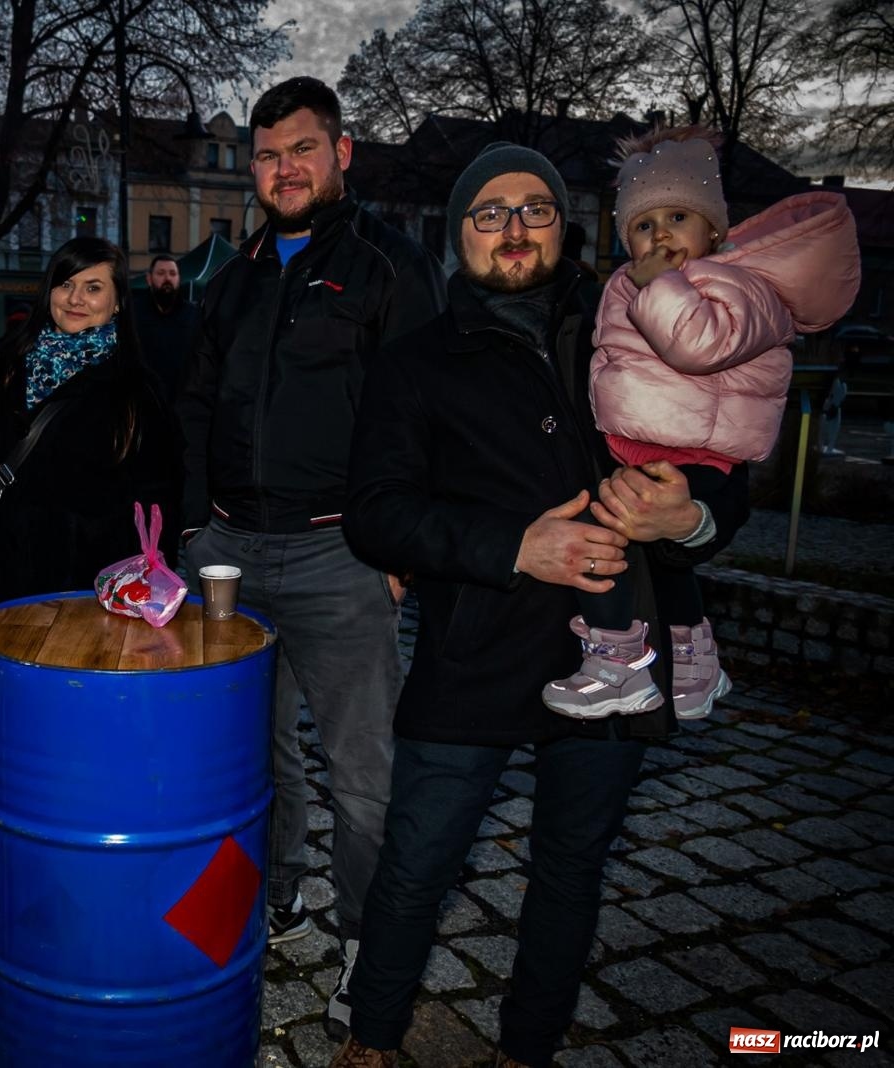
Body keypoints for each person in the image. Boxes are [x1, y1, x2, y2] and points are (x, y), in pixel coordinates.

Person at [329, 143, 753, 1068]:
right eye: (489, 211)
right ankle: (373, 1039)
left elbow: (730, 465)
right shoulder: (415, 362)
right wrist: (513, 546)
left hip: (617, 650)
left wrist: (687, 519)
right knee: (417, 859)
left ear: (568, 226)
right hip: (475, 645)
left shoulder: (646, 326)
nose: (513, 227)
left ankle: (525, 1050)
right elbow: (377, 514)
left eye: (536, 209)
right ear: (458, 235)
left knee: (569, 870)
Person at [177, 75, 445, 1035]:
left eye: (300, 148)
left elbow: (423, 414)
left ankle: (368, 943)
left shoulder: (389, 263)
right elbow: (198, 402)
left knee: (363, 769)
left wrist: (400, 545)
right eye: (265, 153)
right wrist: (187, 532)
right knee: (256, 756)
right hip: (229, 556)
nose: (281, 168)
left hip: (342, 557)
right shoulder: (236, 270)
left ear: (341, 154)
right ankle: (278, 892)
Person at [545, 124, 860, 721]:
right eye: (643, 225)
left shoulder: (742, 285)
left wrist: (657, 284)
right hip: (650, 443)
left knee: (605, 531)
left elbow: (697, 345)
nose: (660, 234)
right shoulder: (636, 283)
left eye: (677, 219)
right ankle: (693, 660)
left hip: (700, 450)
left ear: (713, 228)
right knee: (656, 560)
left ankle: (619, 664)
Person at [0, 237, 183, 611]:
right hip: (3, 578)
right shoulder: (6, 364)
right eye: (65, 283)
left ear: (117, 302)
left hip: (88, 589)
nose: (75, 298)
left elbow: (160, 496)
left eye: (93, 288)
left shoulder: (137, 389)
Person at [127, 253, 199, 406]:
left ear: (179, 279)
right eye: (161, 273)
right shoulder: (133, 313)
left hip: (181, 403)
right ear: (149, 279)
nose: (167, 279)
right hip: (142, 402)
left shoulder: (194, 315)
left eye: (172, 274)